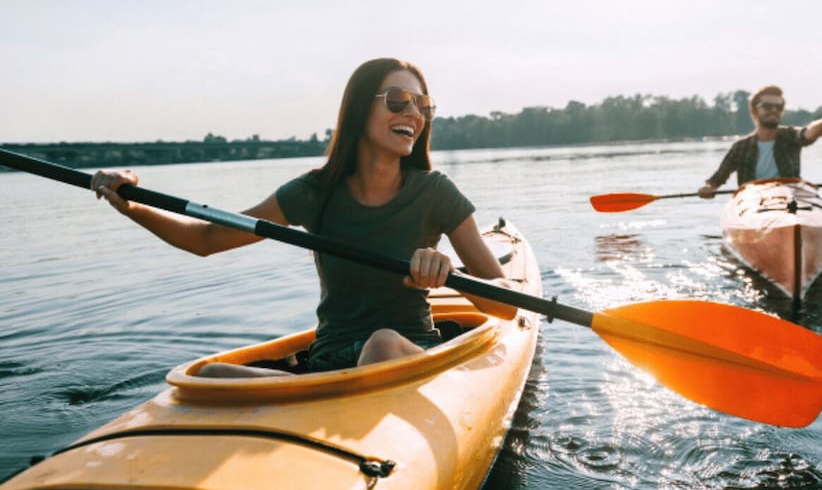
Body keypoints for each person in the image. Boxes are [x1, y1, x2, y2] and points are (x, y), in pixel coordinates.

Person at [91, 57, 516, 377]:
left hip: (404, 354)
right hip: (328, 364)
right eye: (398, 100)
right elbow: (205, 239)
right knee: (208, 374)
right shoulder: (314, 193)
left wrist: (450, 274)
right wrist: (130, 203)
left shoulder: (435, 193)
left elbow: (506, 305)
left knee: (382, 344)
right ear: (358, 109)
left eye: (423, 105)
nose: (414, 114)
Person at [697, 85, 822, 199]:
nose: (774, 110)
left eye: (779, 107)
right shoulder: (740, 147)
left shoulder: (790, 136)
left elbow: (807, 133)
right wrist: (708, 188)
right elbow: (716, 179)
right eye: (767, 106)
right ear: (754, 111)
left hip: (790, 199)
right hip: (753, 202)